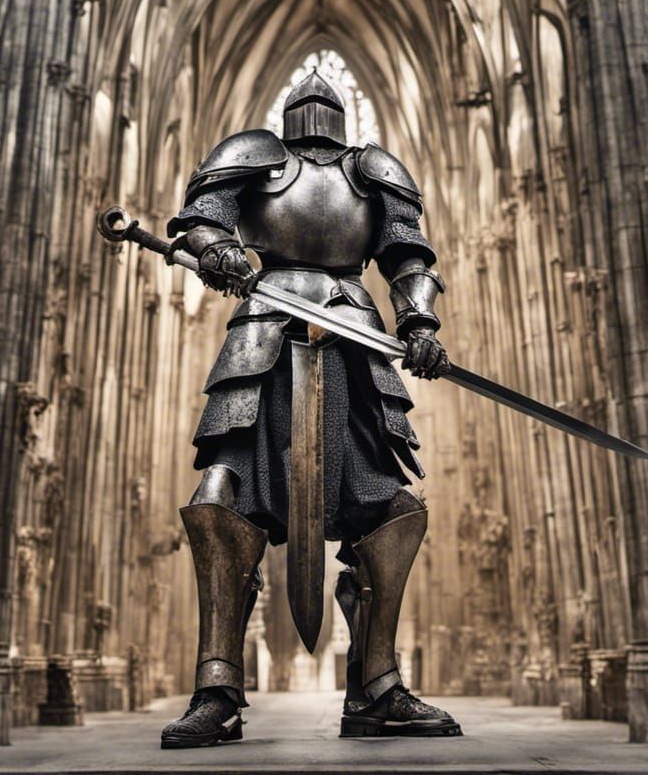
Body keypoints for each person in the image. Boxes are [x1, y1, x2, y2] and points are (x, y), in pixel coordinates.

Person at [161, 70, 461, 747]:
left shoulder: (375, 169)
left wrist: (418, 325)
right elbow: (201, 221)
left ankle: (377, 685)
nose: (317, 108)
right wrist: (223, 252)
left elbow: (407, 255)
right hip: (261, 332)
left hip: (357, 338)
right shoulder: (254, 151)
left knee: (392, 508)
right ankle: (216, 686)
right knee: (220, 498)